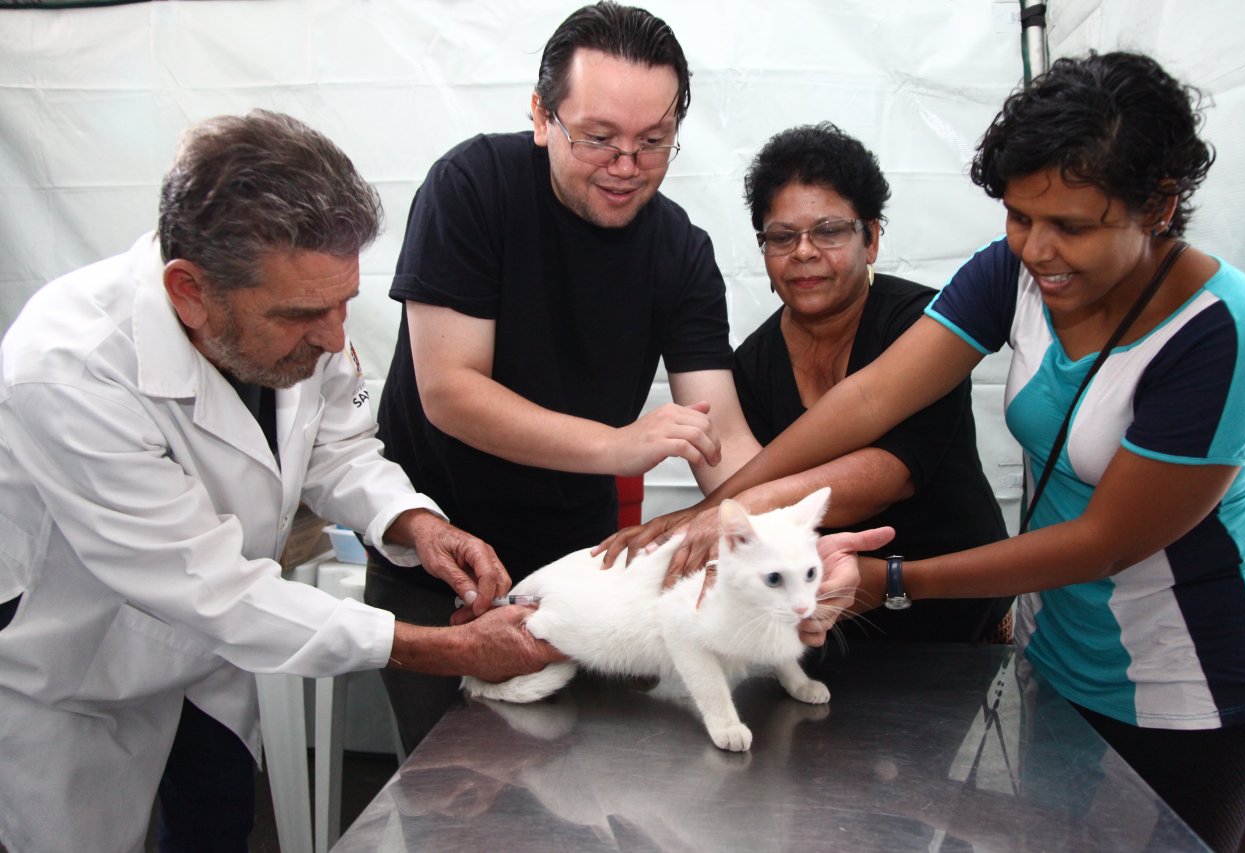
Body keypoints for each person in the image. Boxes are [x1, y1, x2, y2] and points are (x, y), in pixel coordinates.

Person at [616, 52, 1245, 851]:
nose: (1037, 249)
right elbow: (869, 398)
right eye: (1019, 217)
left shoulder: (1223, 330)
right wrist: (724, 505)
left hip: (1194, 675)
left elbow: (1110, 539)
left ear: (1160, 206)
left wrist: (897, 580)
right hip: (1060, 646)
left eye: (1071, 225)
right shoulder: (1017, 272)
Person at [0, 110, 562, 853]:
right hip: (76, 671)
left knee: (215, 826)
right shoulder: (69, 365)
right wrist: (443, 648)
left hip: (211, 662)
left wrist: (413, 521)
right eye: (305, 315)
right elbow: (209, 585)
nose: (335, 338)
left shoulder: (301, 315)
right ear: (189, 290)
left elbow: (339, 449)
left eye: (343, 304)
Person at [367, 0, 761, 751]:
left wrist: (788, 540)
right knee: (448, 796)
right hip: (438, 560)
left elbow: (725, 437)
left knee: (574, 790)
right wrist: (617, 446)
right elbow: (450, 391)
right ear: (542, 115)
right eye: (599, 138)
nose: (626, 166)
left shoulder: (680, 249)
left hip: (579, 577)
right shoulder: (473, 187)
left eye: (654, 142)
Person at [728, 121, 1011, 646]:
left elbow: (891, 475)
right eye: (782, 237)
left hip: (956, 621)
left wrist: (737, 506)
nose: (804, 252)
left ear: (872, 237)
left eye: (829, 231)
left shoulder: (927, 327)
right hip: (829, 632)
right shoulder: (750, 364)